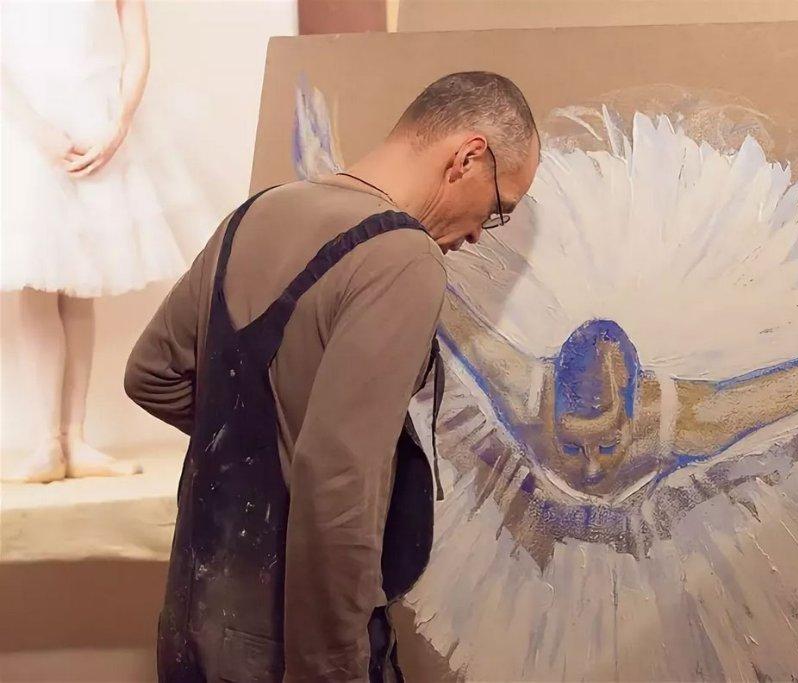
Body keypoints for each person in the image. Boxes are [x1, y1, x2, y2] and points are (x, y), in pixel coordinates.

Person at [124, 71, 540, 682]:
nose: (480, 233)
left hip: (192, 625)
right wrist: (334, 668)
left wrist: (265, 451)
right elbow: (338, 481)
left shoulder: (257, 212)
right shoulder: (401, 256)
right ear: (468, 157)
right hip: (290, 645)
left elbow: (151, 374)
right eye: (498, 209)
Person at [1, 0, 184, 483]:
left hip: (93, 118)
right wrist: (36, 130)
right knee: (38, 278)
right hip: (23, 120)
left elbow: (137, 44)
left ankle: (74, 440)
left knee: (82, 281)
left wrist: (119, 123)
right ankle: (47, 442)